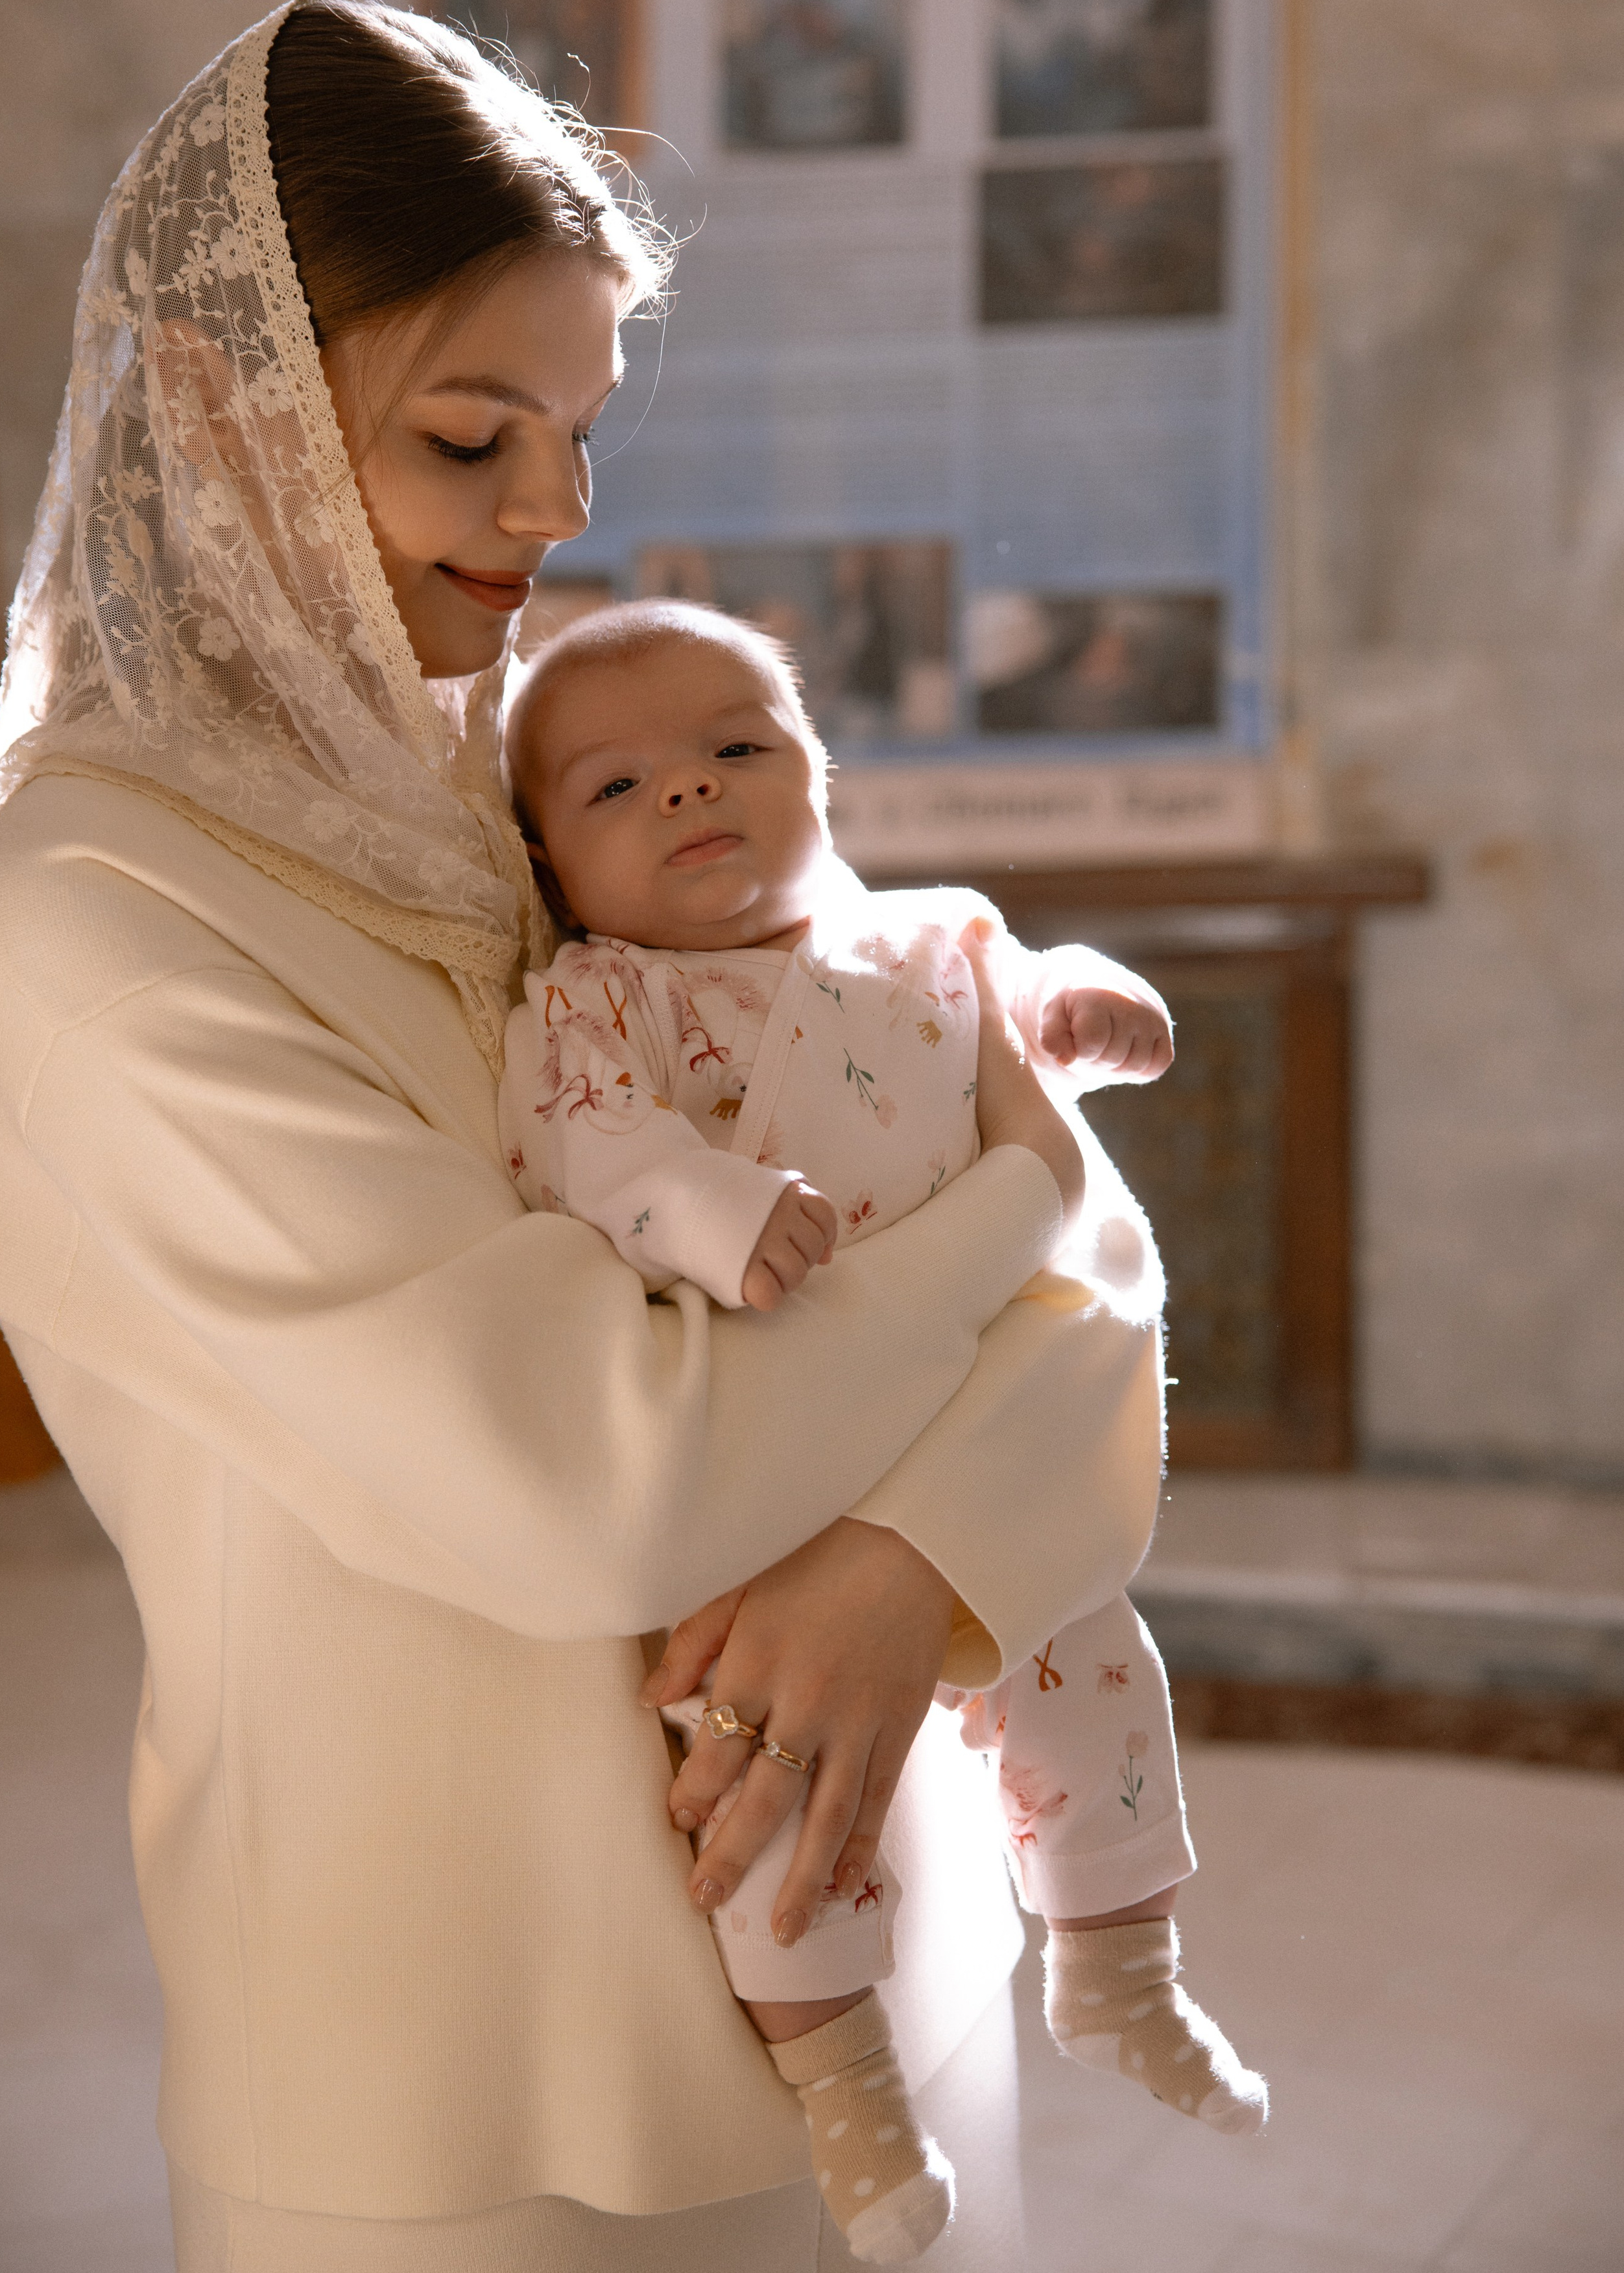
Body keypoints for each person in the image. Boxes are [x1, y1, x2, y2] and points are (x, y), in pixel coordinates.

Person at [0, 0, 1165, 2272]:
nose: (560, 512)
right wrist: (1023, 1183)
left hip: (856, 1928)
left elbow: (1067, 1262)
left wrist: (919, 1559)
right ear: (219, 409)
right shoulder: (82, 923)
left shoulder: (538, 769)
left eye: (584, 424)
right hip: (481, 2089)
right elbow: (593, 1478)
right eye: (473, 431)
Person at [501, 602, 1269, 2261]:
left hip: (965, 1419)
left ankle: (1116, 1963)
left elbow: (1032, 1013)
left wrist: (1086, 997)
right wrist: (699, 1204)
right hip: (772, 1464)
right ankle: (849, 2092)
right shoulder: (598, 1001)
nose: (688, 795)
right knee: (762, 1782)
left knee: (1088, 1661)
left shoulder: (935, 937)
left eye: (733, 749)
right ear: (554, 865)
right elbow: (584, 1149)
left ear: (820, 775)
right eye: (616, 786)